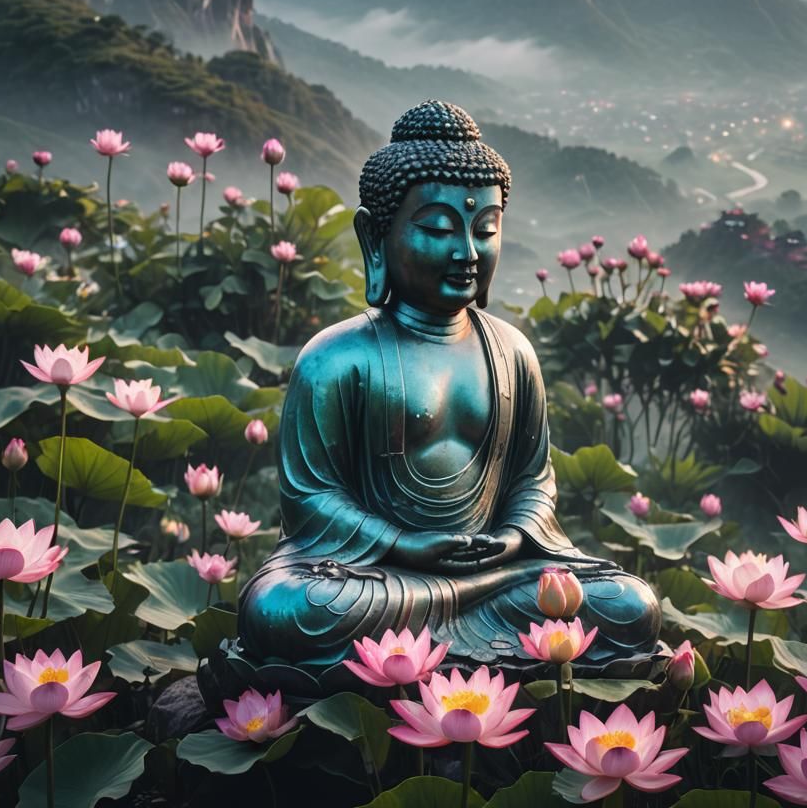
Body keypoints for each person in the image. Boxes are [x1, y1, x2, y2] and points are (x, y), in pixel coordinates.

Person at [238, 100, 659, 676]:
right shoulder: (336, 359)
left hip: (497, 575)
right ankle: (484, 655)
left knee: (630, 603)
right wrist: (401, 546)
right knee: (284, 610)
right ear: (375, 236)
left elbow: (533, 481)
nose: (466, 251)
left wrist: (513, 539)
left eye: (484, 229)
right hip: (375, 578)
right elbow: (310, 501)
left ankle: (420, 658)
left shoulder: (512, 353)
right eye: (438, 229)